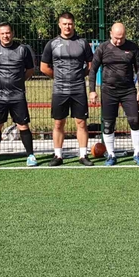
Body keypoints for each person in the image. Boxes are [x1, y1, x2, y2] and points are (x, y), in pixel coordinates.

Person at [89, 22, 139, 166]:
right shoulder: (103, 48)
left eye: (121, 38)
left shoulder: (132, 47)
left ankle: (137, 154)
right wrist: (92, 90)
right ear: (110, 34)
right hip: (108, 91)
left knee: (134, 120)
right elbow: (93, 69)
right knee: (108, 124)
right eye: (116, 38)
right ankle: (111, 155)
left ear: (125, 35)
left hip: (128, 91)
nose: (119, 41)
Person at [40, 12, 94, 167]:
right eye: (64, 24)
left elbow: (90, 65)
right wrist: (58, 77)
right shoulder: (52, 44)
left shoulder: (82, 43)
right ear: (59, 25)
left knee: (81, 123)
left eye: (70, 24)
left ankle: (83, 155)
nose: (67, 27)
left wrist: (79, 76)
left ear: (74, 25)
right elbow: (44, 67)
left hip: (78, 89)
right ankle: (58, 155)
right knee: (58, 123)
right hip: (60, 90)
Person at [0, 22, 37, 167]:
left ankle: (30, 156)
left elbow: (30, 70)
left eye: (8, 33)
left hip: (17, 96)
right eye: (2, 33)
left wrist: (18, 81)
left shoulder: (22, 50)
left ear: (12, 33)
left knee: (23, 125)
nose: (5, 36)